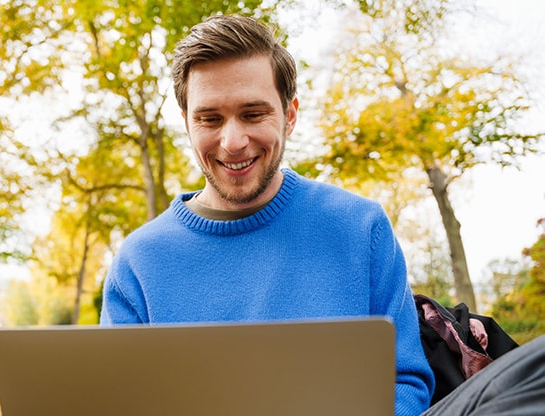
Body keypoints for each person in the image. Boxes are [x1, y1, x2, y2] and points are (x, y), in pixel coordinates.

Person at [99, 14, 434, 416]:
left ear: (289, 115)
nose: (233, 141)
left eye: (253, 114)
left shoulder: (360, 228)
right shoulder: (139, 261)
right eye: (210, 119)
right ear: (187, 123)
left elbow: (406, 383)